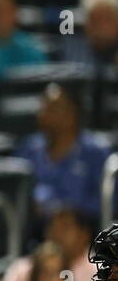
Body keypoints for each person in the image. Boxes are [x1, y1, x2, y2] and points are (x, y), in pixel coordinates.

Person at [17, 83, 112, 228]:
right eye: (43, 107)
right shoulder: (29, 148)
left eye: (53, 108)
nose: (44, 114)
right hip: (35, 234)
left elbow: (108, 204)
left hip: (85, 235)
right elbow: (18, 197)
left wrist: (69, 213)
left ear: (72, 114)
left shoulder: (96, 152)